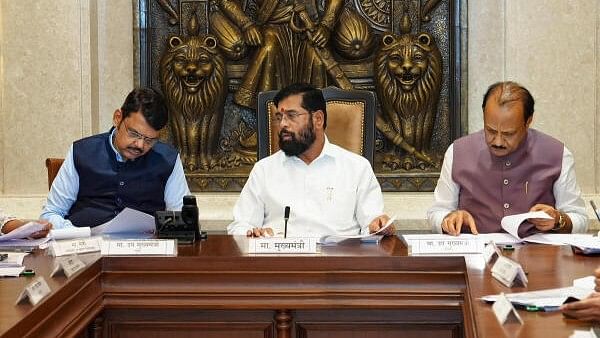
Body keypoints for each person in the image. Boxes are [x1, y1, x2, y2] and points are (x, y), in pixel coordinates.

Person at [227, 83, 394, 237]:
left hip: (339, 264)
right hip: (280, 265)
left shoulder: (356, 168)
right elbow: (240, 226)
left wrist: (379, 226)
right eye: (279, 117)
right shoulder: (264, 170)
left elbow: (372, 225)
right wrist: (253, 234)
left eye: (291, 116)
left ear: (318, 119)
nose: (283, 124)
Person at [428, 81, 587, 236]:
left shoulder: (557, 154)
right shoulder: (457, 152)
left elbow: (580, 219)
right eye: (490, 131)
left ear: (528, 122)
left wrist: (558, 220)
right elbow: (437, 212)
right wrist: (448, 219)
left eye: (508, 134)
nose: (497, 141)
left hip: (537, 256)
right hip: (477, 254)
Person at [41, 88, 190, 229]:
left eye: (149, 140)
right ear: (118, 118)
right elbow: (50, 214)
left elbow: (183, 219)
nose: (139, 145)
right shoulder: (81, 152)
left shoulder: (167, 159)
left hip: (143, 251)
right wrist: (78, 232)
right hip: (87, 248)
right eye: (134, 134)